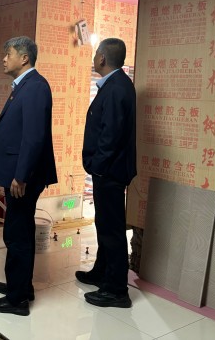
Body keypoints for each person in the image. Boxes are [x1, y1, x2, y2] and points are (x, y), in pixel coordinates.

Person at [0, 36, 57, 316]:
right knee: (21, 231)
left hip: (22, 177)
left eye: (9, 54)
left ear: (24, 58)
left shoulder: (35, 86)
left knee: (17, 235)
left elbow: (34, 137)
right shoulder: (24, 86)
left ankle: (16, 301)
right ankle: (21, 287)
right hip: (19, 173)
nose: (4, 59)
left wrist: (21, 175)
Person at [77, 37, 136, 309]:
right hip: (110, 169)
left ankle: (116, 290)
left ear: (101, 58)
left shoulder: (115, 88)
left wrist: (97, 166)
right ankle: (102, 272)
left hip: (110, 171)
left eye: (95, 54)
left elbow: (110, 135)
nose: (94, 58)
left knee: (112, 230)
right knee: (104, 225)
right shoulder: (116, 84)